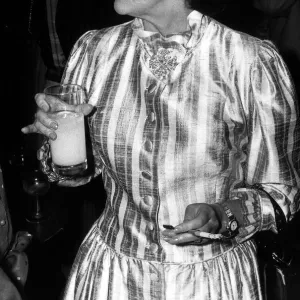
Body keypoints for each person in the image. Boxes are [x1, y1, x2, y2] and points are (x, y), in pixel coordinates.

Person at [21, 0, 300, 299]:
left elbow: (281, 192)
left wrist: (222, 215)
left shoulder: (250, 60)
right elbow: (80, 169)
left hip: (207, 281)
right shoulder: (94, 49)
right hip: (113, 275)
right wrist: (56, 137)